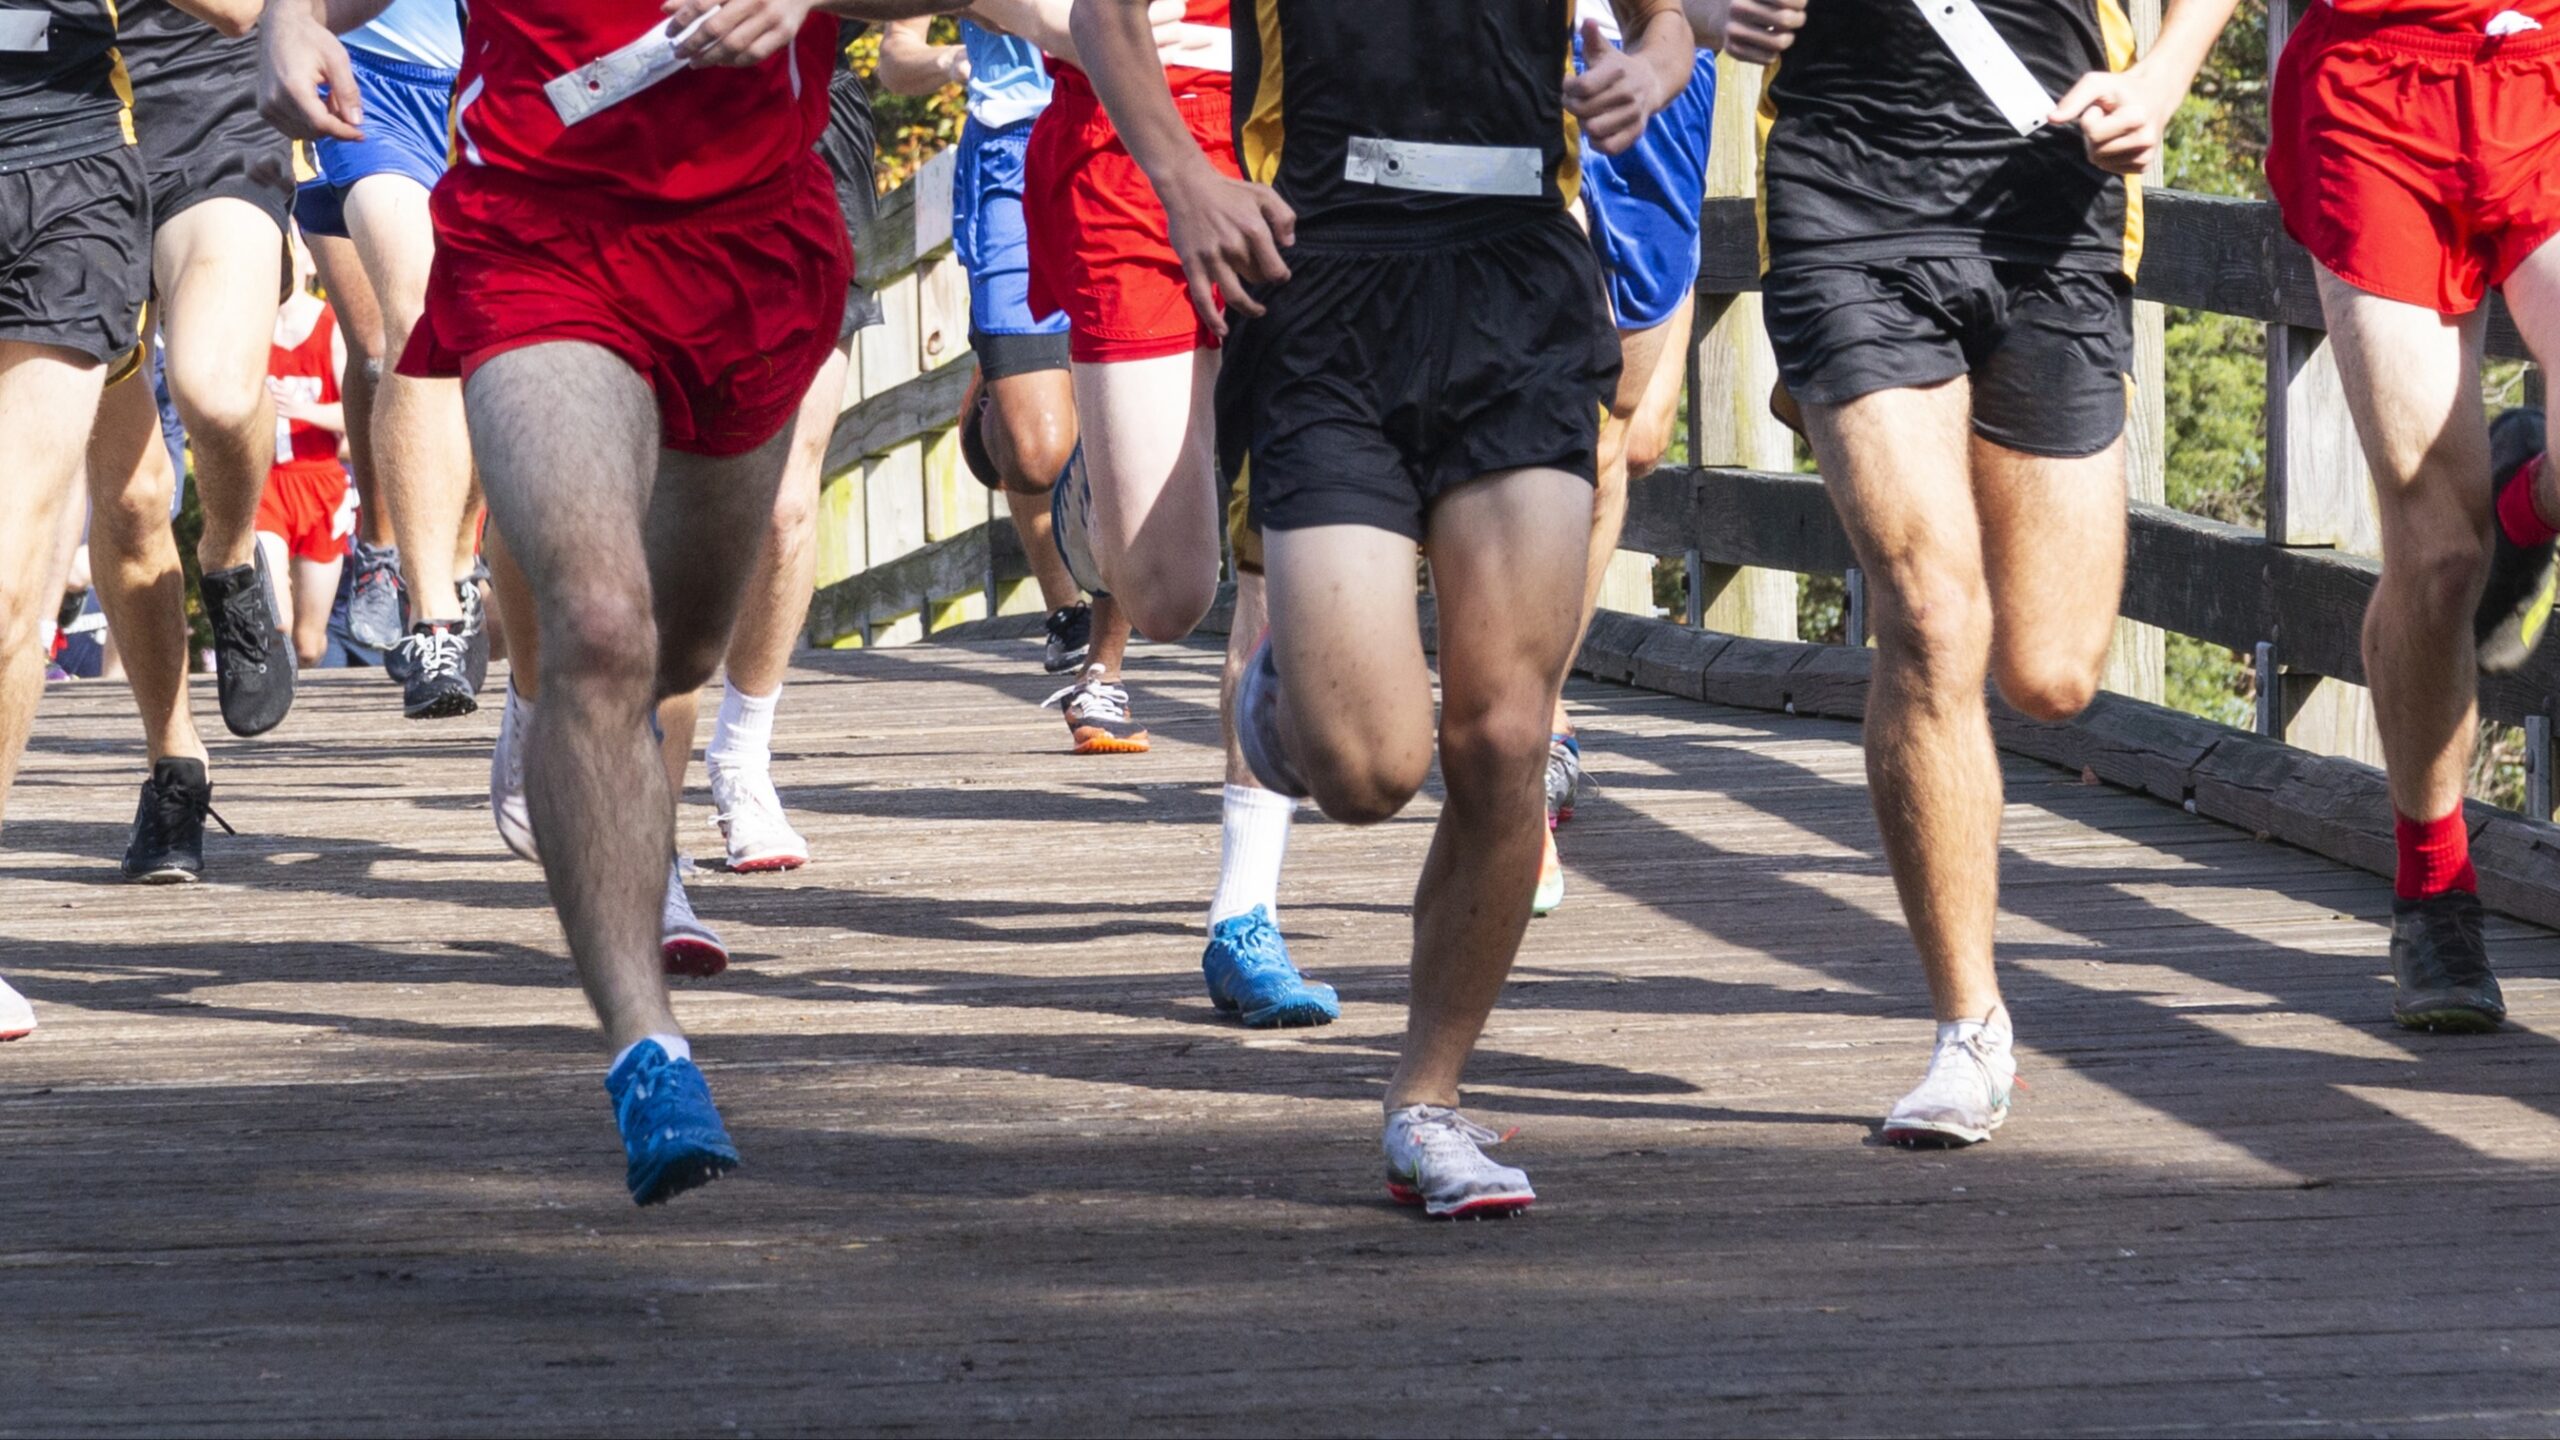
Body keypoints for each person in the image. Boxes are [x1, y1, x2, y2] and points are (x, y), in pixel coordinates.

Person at [260, 0, 955, 1206]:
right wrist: (288, 17)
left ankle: (560, 708)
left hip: (748, 250)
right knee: (599, 624)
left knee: (675, 653)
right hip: (539, 235)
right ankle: (649, 1047)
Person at [1077, 0, 1694, 1215]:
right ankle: (1290, 697)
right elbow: (1107, 15)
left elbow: (1671, 18)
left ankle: (1428, 1100)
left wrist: (1658, 64)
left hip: (1517, 276)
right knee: (1365, 775)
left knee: (1508, 737)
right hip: (1332, 273)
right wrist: (1182, 178)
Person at [1704, 0, 2233, 1143]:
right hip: (1844, 186)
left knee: (2049, 673)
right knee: (1935, 618)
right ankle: (1968, 1028)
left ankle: (1854, 400)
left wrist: (2164, 80)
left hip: (2053, 189)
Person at [2263, 0, 2560, 1035]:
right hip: (2376, 91)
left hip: (2547, 67)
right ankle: (2433, 888)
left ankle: (2525, 506)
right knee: (2436, 558)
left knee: (2488, 530)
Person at [878, 12, 1147, 753]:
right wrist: (953, 64)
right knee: (1034, 451)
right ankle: (1065, 605)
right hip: (1008, 152)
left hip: (1127, 129)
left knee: (1117, 414)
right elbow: (894, 59)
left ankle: (1102, 666)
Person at [1535, 0, 1721, 915]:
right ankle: (1523, 724)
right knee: (1563, 428)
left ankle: (1534, 697)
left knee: (1626, 442)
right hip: (1533, 61)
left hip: (1664, 76)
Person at [288, 0, 484, 719]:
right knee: (399, 329)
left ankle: (458, 557)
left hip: (491, 76)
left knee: (473, 334)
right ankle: (425, 607)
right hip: (358, 76)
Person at [256, 236, 354, 667]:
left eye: (291, 248)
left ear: (311, 262)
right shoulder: (251, 329)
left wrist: (302, 409)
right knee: (276, 618)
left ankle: (304, 707)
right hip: (266, 484)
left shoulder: (332, 325)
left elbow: (360, 416)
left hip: (320, 483)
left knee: (309, 643)